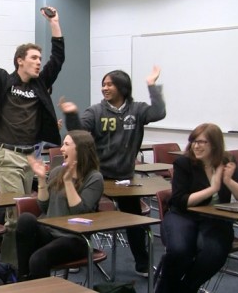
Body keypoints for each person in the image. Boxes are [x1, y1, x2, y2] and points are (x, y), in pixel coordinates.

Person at [0, 0, 65, 265]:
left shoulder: (40, 85)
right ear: (20, 60)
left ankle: (18, 265)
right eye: (34, 58)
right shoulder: (1, 79)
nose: (38, 62)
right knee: (14, 215)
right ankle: (13, 271)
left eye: (39, 58)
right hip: (8, 157)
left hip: (32, 158)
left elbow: (58, 59)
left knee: (24, 216)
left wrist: (55, 23)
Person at [60, 66, 165, 277]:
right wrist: (71, 115)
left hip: (124, 178)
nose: (105, 88)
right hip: (97, 175)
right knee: (83, 215)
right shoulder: (96, 111)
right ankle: (73, 255)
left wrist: (152, 85)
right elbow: (78, 132)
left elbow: (159, 112)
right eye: (103, 84)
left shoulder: (137, 110)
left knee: (134, 220)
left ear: (122, 87)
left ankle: (142, 263)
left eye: (110, 84)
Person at [156, 123, 238, 293]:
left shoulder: (226, 161)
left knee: (213, 253)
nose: (196, 146)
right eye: (194, 141)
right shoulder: (183, 163)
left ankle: (186, 289)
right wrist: (213, 189)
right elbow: (180, 201)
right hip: (183, 216)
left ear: (215, 144)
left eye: (202, 142)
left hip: (215, 219)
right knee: (180, 250)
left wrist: (229, 181)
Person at [16, 130, 103, 280]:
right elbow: (44, 207)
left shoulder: (94, 178)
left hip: (75, 238)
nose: (61, 148)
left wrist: (68, 182)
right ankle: (23, 280)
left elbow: (79, 211)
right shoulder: (57, 172)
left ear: (80, 150)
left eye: (66, 144)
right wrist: (42, 179)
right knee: (25, 219)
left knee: (38, 260)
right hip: (50, 233)